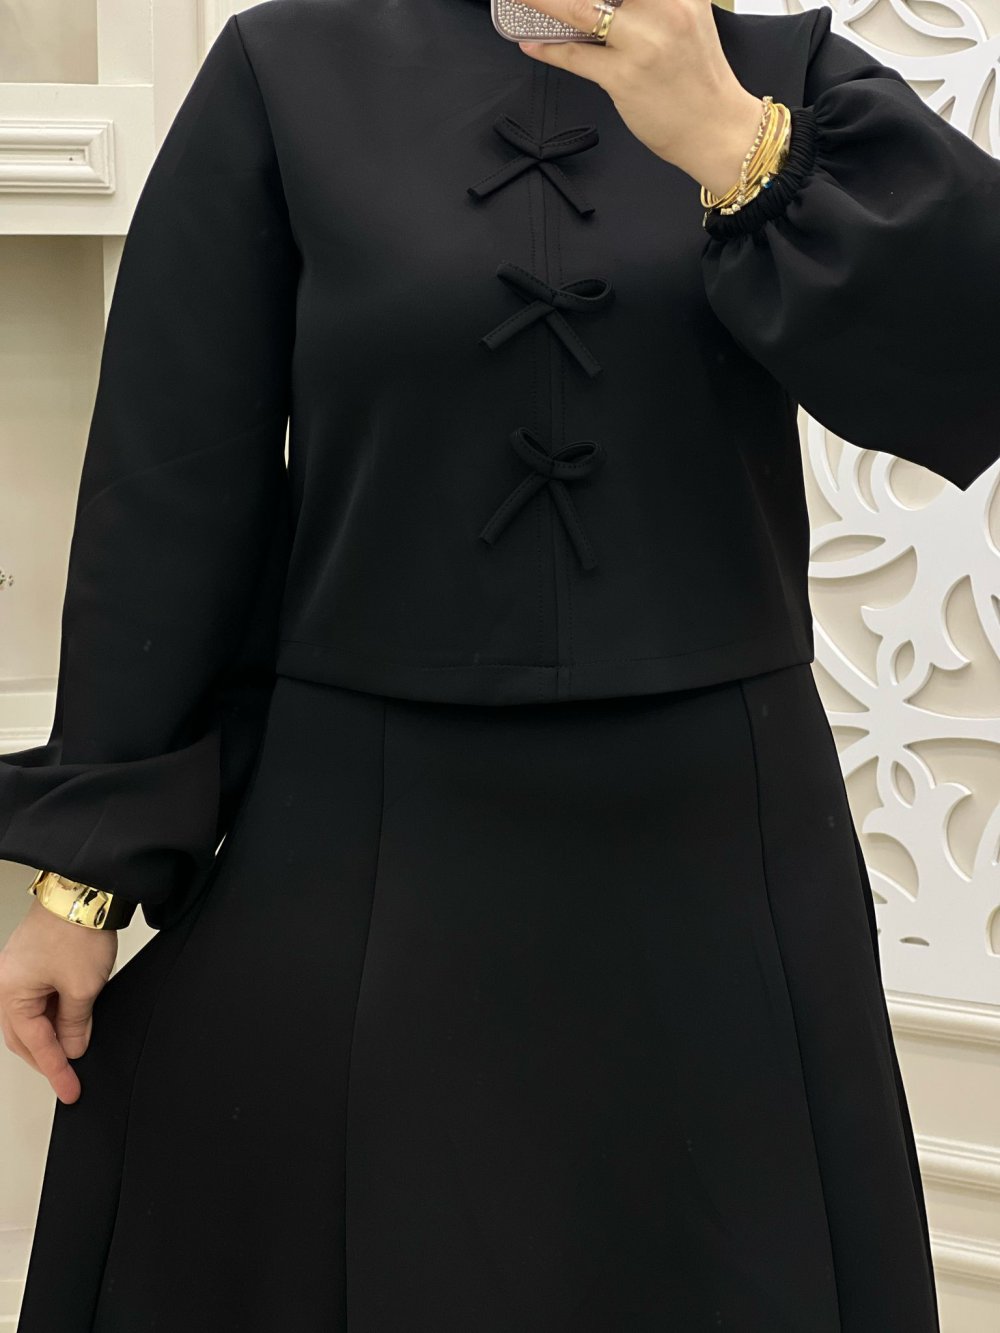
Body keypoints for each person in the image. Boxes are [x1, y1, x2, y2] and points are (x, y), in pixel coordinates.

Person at [2, 0, 997, 1327]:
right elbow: (176, 481)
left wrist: (740, 147)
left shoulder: (778, 71)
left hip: (720, 846)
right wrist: (85, 876)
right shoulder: (283, 73)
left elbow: (967, 359)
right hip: (364, 832)